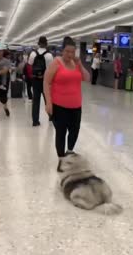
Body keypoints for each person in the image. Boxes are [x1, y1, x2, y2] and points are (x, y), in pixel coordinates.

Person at [44, 36, 90, 171]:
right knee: (61, 133)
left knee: (74, 131)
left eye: (72, 52)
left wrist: (80, 64)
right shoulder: (56, 63)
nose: (70, 54)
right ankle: (61, 159)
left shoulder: (76, 64)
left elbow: (87, 78)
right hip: (59, 105)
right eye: (67, 51)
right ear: (62, 51)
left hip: (76, 105)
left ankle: (69, 152)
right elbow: (46, 82)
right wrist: (48, 103)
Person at [28, 36, 54, 126]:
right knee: (48, 99)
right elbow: (51, 69)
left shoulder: (32, 54)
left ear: (38, 44)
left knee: (36, 100)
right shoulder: (49, 55)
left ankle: (35, 121)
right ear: (46, 44)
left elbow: (30, 64)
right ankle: (51, 116)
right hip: (45, 80)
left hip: (35, 80)